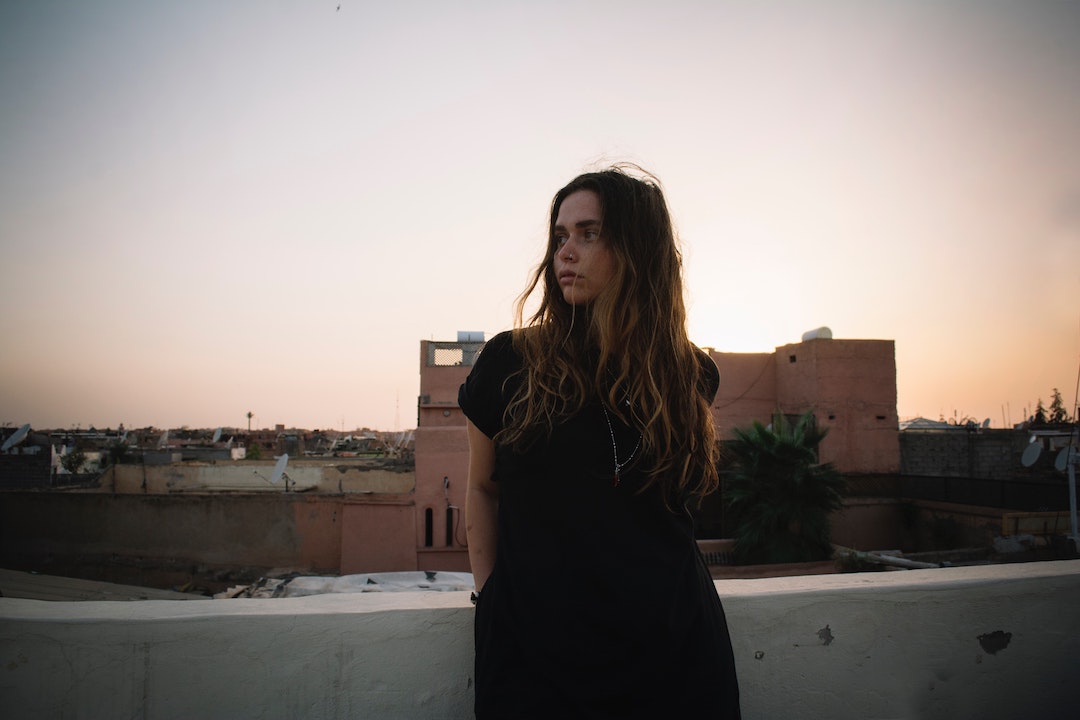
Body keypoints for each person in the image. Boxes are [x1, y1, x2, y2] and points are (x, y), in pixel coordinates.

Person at [459, 165, 741, 719]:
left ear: (639, 250)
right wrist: (490, 598)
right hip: (537, 666)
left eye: (589, 234)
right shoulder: (510, 363)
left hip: (677, 660)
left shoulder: (689, 374)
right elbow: (482, 491)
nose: (566, 252)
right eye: (560, 237)